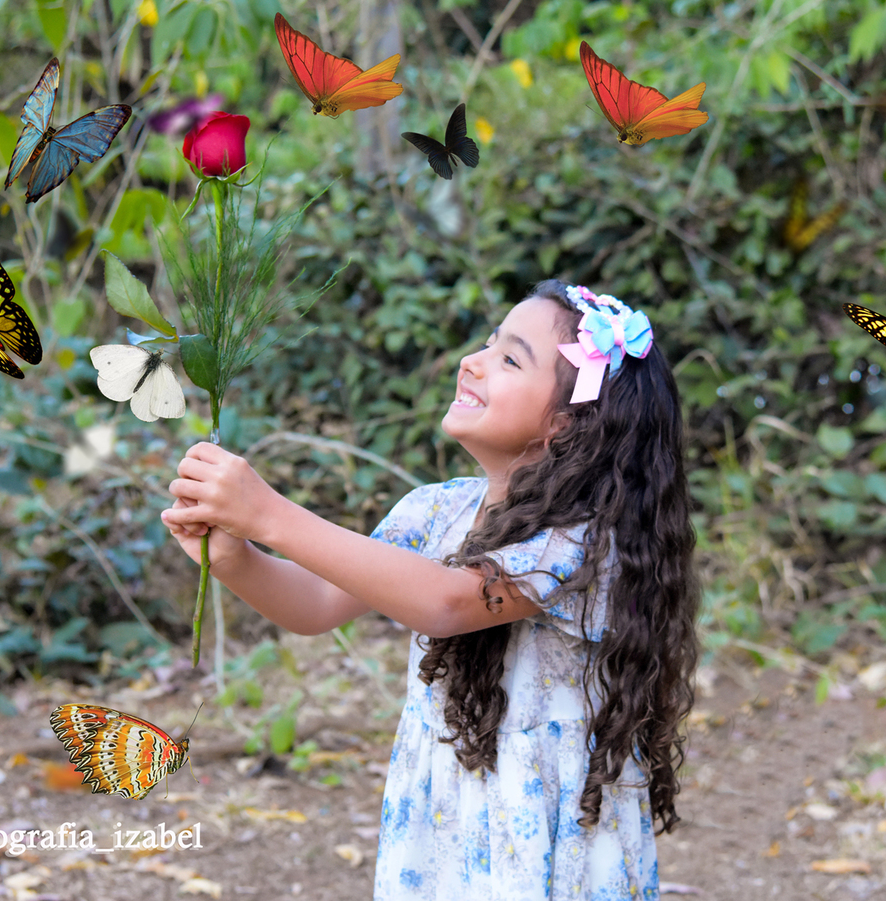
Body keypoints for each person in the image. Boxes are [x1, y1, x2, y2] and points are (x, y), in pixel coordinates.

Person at [162, 279, 700, 900]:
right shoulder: (434, 510)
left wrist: (268, 513)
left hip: (545, 821)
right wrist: (235, 556)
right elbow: (315, 604)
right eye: (489, 342)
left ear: (567, 423)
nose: (473, 360)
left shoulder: (580, 544)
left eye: (509, 359)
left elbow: (447, 603)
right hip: (444, 810)